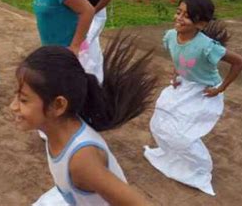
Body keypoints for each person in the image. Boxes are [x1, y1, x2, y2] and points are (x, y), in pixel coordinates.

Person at [10, 32, 156, 206]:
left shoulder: (81, 159)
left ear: (58, 106)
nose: (13, 106)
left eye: (23, 100)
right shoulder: (62, 130)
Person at [144, 0, 242, 196]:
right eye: (178, 12)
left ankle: (198, 170)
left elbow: (239, 62)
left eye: (187, 16)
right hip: (185, 85)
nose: (179, 18)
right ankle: (173, 156)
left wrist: (221, 88)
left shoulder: (208, 46)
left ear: (200, 24)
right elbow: (179, 56)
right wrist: (177, 72)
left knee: (184, 134)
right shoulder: (171, 36)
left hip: (205, 91)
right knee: (160, 122)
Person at [74, 0, 113, 83]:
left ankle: (88, 73)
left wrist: (93, 11)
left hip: (97, 15)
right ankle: (94, 73)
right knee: (91, 44)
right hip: (88, 12)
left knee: (85, 40)